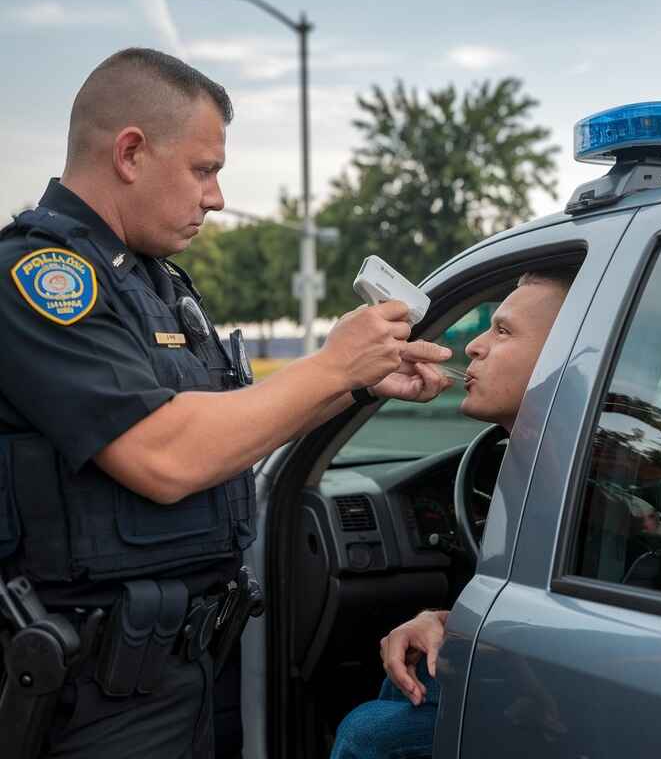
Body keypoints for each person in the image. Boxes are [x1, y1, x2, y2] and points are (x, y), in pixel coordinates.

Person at [0, 48, 453, 759]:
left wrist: (354, 382)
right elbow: (166, 454)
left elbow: (233, 427)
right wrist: (332, 362)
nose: (215, 196)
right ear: (130, 152)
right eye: (204, 170)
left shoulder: (157, 283)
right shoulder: (41, 278)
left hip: (190, 665)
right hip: (97, 693)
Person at [330, 267, 577, 759]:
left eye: (502, 331)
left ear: (566, 355)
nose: (473, 346)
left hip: (565, 703)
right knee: (411, 677)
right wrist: (445, 620)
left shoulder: (589, 479)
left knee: (368, 735)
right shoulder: (539, 462)